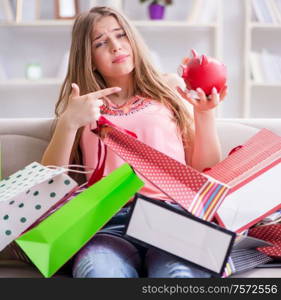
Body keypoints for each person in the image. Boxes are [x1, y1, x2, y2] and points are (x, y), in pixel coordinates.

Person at [41, 6, 227, 278]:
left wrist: (204, 113)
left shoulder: (169, 88)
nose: (116, 47)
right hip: (107, 224)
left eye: (121, 35)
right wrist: (69, 122)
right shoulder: (82, 105)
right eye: (101, 43)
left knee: (179, 276)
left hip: (172, 219)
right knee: (99, 273)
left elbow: (203, 172)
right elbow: (47, 184)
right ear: (89, 58)